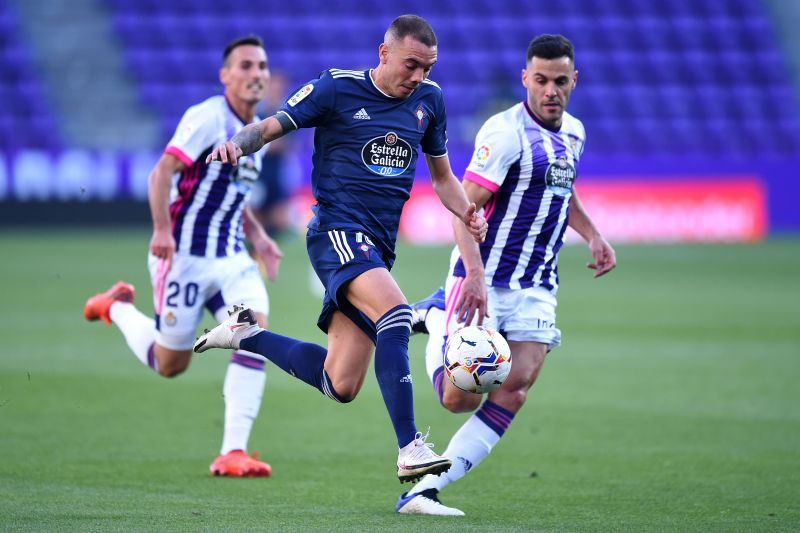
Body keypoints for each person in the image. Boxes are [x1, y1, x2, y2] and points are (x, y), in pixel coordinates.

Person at [193, 14, 488, 484]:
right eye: (411, 65)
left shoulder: (429, 102)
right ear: (384, 53)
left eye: (428, 68)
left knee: (340, 382)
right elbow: (270, 127)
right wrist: (235, 144)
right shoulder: (336, 88)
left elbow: (443, 178)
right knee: (394, 313)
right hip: (337, 231)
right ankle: (410, 447)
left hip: (379, 246)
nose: (419, 77)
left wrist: (465, 211)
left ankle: (245, 335)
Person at [395, 34, 617, 515]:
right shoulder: (505, 133)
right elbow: (461, 208)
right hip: (483, 282)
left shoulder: (575, 132)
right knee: (459, 400)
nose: (550, 90)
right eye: (541, 80)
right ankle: (434, 315)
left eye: (560, 81)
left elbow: (563, 189)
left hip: (537, 283)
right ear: (525, 79)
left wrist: (594, 235)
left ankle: (422, 492)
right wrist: (472, 274)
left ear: (574, 81)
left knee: (514, 388)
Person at [83, 35, 283, 477]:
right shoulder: (208, 117)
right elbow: (162, 172)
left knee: (254, 329)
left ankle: (233, 451)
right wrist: (161, 231)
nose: (256, 74)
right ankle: (116, 307)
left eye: (262, 66)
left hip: (231, 255)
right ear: (225, 75)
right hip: (185, 257)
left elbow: (235, 194)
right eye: (246, 66)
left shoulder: (261, 135)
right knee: (170, 364)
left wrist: (260, 237)